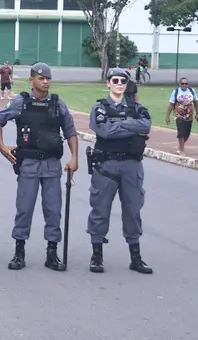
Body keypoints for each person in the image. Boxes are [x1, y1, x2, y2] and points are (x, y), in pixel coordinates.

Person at [0, 63, 79, 271]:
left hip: (51, 164)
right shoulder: (21, 102)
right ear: (31, 80)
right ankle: (19, 252)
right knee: (24, 209)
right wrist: (2, 147)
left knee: (53, 210)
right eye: (41, 78)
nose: (45, 81)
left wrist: (75, 157)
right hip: (28, 163)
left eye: (48, 78)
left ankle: (52, 253)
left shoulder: (58, 104)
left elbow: (70, 131)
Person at [86, 67, 153, 274]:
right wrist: (129, 126)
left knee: (133, 211)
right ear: (108, 83)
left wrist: (121, 125)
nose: (119, 84)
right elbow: (104, 131)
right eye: (115, 80)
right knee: (100, 210)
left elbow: (146, 126)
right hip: (107, 165)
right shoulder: (100, 107)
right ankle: (97, 256)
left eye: (122, 81)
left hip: (132, 166)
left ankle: (136, 257)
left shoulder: (137, 107)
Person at [165, 77, 198, 157]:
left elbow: (196, 102)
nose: (184, 85)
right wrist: (167, 116)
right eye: (182, 83)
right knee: (181, 132)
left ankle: (180, 147)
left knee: (187, 134)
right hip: (179, 115)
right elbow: (171, 104)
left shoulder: (191, 91)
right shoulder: (176, 92)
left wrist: (197, 113)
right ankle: (182, 150)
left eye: (186, 83)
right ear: (180, 84)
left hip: (189, 116)